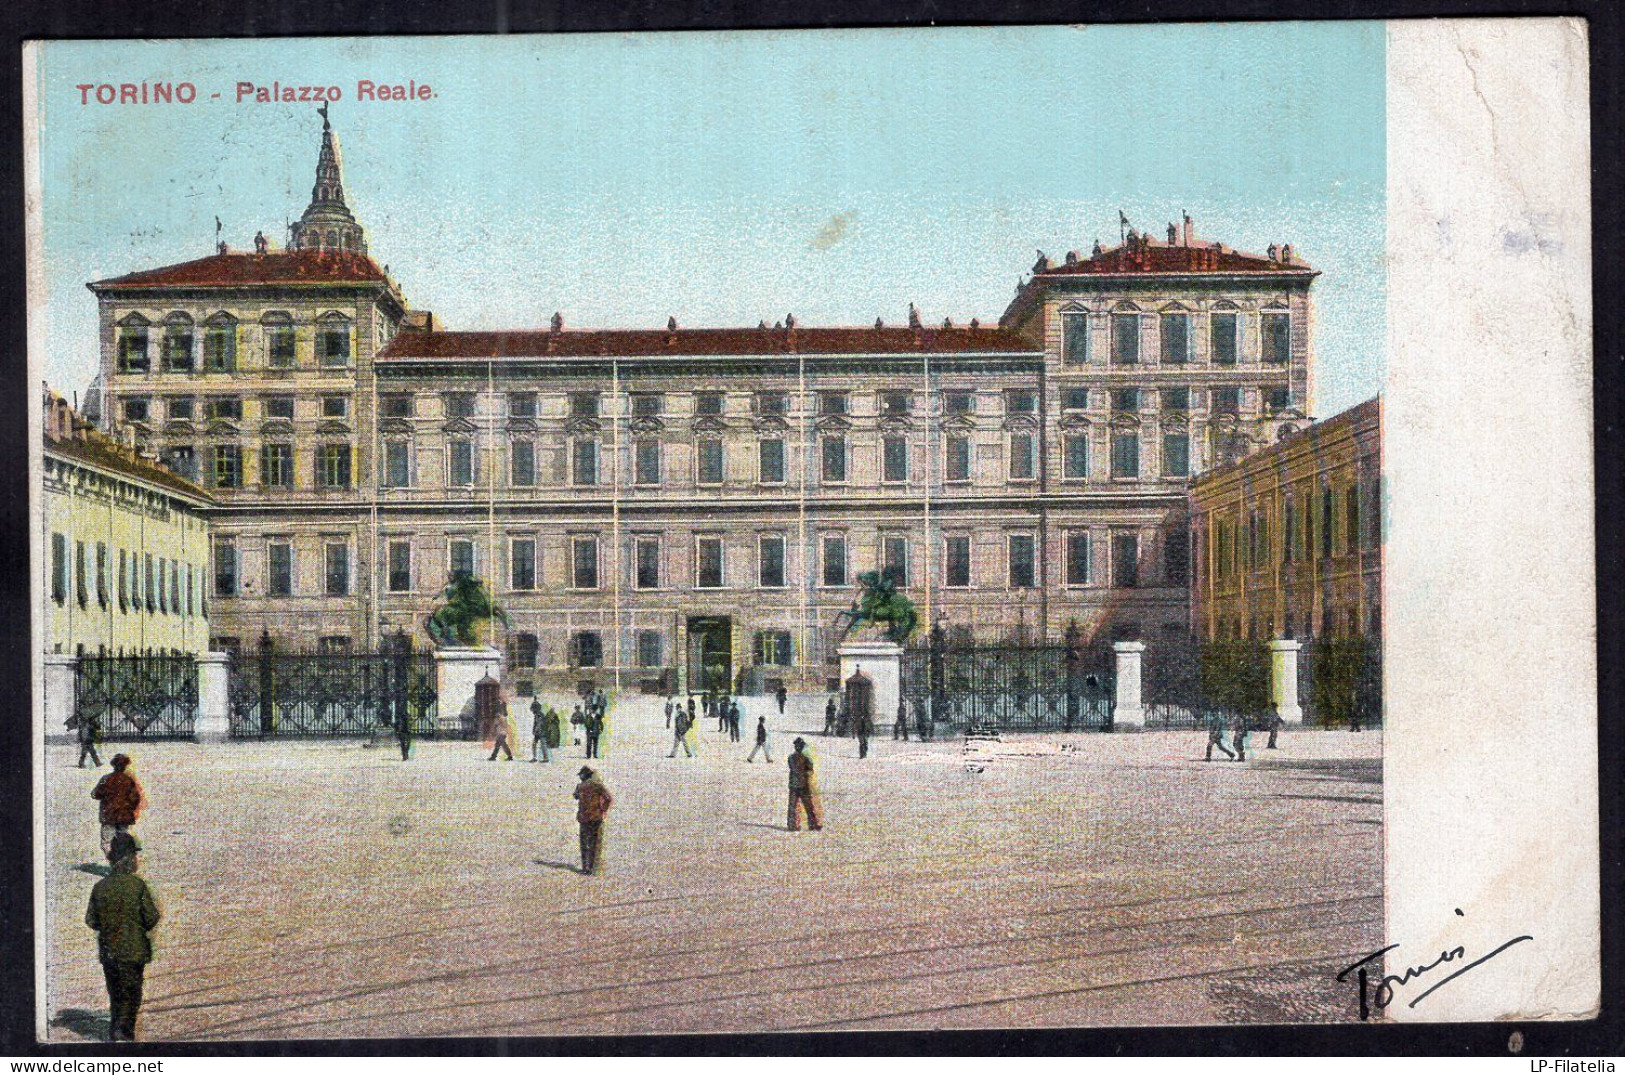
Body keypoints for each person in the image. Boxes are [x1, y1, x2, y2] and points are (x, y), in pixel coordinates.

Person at [85, 833, 160, 1042]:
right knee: (132, 994)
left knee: (115, 993)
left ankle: (115, 1030)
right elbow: (152, 917)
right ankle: (124, 1034)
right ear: (129, 859)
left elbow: (91, 920)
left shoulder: (99, 887)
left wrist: (109, 926)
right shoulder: (138, 886)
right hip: (133, 951)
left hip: (109, 951)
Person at [91, 755, 143, 858]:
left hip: (108, 816)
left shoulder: (106, 779)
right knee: (122, 839)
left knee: (106, 842)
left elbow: (95, 794)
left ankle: (113, 860)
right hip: (124, 816)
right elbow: (135, 798)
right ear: (125, 766)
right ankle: (123, 860)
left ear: (113, 766)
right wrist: (129, 808)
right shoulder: (128, 780)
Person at [572, 766, 614, 875]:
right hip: (596, 817)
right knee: (595, 843)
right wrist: (603, 809)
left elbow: (575, 796)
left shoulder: (580, 786)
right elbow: (608, 798)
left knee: (584, 843)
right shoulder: (598, 785)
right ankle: (593, 868)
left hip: (584, 818)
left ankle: (585, 867)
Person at [787, 738, 822, 831]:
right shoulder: (805, 758)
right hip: (803, 785)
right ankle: (813, 824)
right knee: (808, 806)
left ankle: (792, 825)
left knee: (792, 806)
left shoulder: (790, 758)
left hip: (793, 785)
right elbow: (810, 768)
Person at [488, 696, 514, 761]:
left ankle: (494, 757)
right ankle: (508, 756)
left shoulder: (501, 718)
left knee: (500, 745)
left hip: (502, 733)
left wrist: (496, 727)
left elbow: (501, 725)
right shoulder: (500, 717)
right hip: (501, 733)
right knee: (501, 745)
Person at [530, 698, 551, 763]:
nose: (532, 710)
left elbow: (539, 723)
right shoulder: (537, 714)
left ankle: (545, 758)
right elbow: (535, 723)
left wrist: (535, 730)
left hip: (541, 732)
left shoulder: (539, 715)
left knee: (542, 745)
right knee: (535, 744)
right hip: (539, 732)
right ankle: (535, 757)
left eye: (533, 709)